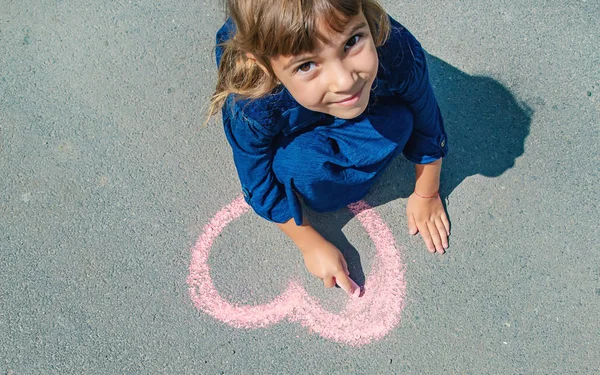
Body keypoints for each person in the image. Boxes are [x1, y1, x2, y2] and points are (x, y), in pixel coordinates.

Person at [207, 0, 450, 295]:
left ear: (364, 11)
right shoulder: (253, 102)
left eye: (352, 41)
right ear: (263, 63)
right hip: (289, 113)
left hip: (353, 97)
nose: (344, 80)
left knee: (397, 123)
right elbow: (257, 183)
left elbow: (426, 118)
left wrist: (427, 191)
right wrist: (309, 243)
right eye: (306, 65)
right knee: (299, 169)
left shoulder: (394, 47)